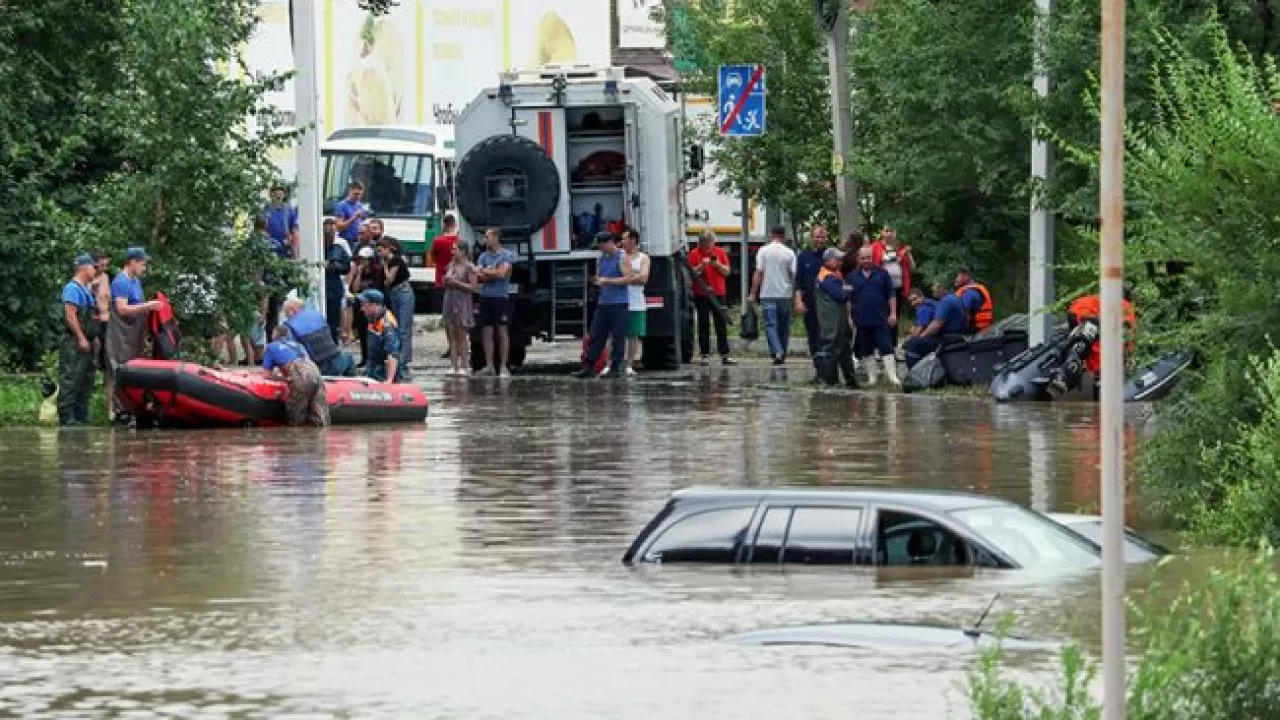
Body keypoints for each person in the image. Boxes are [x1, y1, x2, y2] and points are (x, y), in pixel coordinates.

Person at [105, 247, 162, 421]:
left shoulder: (135, 281)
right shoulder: (120, 282)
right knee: (116, 369)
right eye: (142, 264)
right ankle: (113, 410)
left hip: (134, 333)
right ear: (132, 262)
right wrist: (148, 306)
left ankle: (129, 406)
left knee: (133, 369)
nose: (144, 268)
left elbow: (137, 305)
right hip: (120, 333)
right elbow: (122, 309)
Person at [574, 232, 629, 379]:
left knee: (618, 336)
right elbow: (599, 277)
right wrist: (596, 281)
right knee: (596, 335)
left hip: (619, 303)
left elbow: (628, 279)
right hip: (603, 302)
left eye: (602, 245)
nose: (600, 249)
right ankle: (589, 365)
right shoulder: (601, 259)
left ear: (609, 243)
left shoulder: (622, 258)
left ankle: (616, 367)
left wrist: (607, 281)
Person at [848, 245, 900, 386]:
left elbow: (891, 295)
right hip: (861, 320)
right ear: (858, 259)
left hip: (881, 318)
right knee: (866, 350)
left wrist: (893, 313)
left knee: (887, 347)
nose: (866, 260)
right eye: (863, 258)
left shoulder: (883, 273)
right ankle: (872, 378)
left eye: (868, 257)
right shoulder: (852, 277)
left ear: (873, 257)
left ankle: (893, 377)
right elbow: (848, 299)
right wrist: (849, 317)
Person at [58, 254, 100, 426]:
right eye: (93, 267)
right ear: (83, 267)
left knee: (85, 380)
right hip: (74, 343)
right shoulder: (72, 288)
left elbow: (92, 318)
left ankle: (81, 416)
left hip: (88, 342)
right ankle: (66, 417)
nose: (95, 270)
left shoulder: (86, 290)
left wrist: (94, 339)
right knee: (71, 378)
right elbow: (70, 315)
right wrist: (81, 338)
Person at [750, 226, 800, 365]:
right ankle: (781, 352)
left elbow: (759, 272)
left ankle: (777, 352)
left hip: (768, 294)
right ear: (784, 236)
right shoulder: (790, 253)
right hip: (785, 294)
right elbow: (794, 275)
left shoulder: (763, 251)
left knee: (771, 325)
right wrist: (796, 297)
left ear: (771, 234)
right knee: (784, 327)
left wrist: (753, 293)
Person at [262, 327, 329, 427]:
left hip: (300, 375)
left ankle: (296, 438)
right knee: (320, 419)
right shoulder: (298, 345)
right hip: (315, 372)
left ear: (274, 335)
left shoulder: (271, 347)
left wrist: (282, 378)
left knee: (295, 419)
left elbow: (266, 374)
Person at [687, 231, 736, 366]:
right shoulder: (694, 254)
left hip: (718, 293)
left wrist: (718, 265)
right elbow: (690, 275)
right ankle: (704, 354)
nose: (708, 246)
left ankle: (725, 354)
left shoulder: (719, 252)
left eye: (710, 242)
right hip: (701, 294)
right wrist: (702, 266)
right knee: (703, 324)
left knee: (721, 324)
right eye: (705, 243)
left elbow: (727, 272)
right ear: (700, 243)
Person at [475, 228, 516, 377]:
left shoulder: (507, 255)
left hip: (501, 298)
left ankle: (504, 366)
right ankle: (489, 365)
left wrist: (487, 271)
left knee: (502, 331)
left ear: (496, 237)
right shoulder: (483, 256)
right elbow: (478, 276)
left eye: (487, 237)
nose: (485, 240)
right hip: (485, 297)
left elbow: (502, 274)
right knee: (487, 331)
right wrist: (491, 272)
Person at [814, 248, 857, 388]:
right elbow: (841, 296)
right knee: (831, 348)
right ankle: (830, 381)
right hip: (831, 321)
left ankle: (850, 381)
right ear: (828, 260)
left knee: (845, 349)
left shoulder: (834, 274)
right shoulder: (827, 276)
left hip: (839, 320)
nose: (840, 261)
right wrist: (850, 289)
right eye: (837, 259)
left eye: (840, 259)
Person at [281, 298, 356, 377]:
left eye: (286, 313)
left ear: (292, 310)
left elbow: (292, 352)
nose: (286, 316)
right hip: (335, 358)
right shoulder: (317, 315)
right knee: (348, 358)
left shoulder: (288, 326)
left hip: (316, 369)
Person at [903, 288, 969, 369]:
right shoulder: (938, 302)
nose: (913, 303)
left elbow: (922, 330)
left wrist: (915, 336)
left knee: (911, 344)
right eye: (911, 301)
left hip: (946, 338)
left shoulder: (925, 308)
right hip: (957, 335)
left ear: (922, 297)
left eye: (915, 299)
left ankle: (915, 375)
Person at [795, 225, 829, 373]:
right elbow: (798, 281)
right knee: (813, 334)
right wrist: (798, 301)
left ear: (826, 238)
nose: (820, 240)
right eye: (817, 237)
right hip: (809, 302)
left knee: (825, 334)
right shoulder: (803, 256)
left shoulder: (830, 256)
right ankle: (817, 366)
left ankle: (827, 366)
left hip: (827, 303)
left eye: (822, 237)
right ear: (812, 238)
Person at [872, 226, 914, 345]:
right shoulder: (876, 246)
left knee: (895, 317)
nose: (889, 233)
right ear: (882, 233)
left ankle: (893, 345)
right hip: (881, 288)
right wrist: (899, 255)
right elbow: (878, 261)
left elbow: (912, 267)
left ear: (895, 233)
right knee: (882, 316)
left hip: (898, 287)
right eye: (886, 231)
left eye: (891, 231)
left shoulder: (900, 248)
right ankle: (880, 346)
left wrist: (908, 255)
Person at [378, 236, 414, 374]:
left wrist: (385, 265)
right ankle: (398, 359)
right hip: (393, 293)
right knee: (396, 327)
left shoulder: (396, 261)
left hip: (403, 292)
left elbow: (389, 279)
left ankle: (403, 362)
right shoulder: (390, 261)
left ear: (388, 249)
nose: (380, 254)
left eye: (381, 250)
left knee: (404, 328)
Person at [440, 241, 477, 376]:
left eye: (455, 249)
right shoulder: (451, 265)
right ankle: (453, 365)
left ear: (463, 251)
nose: (452, 252)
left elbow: (473, 287)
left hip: (462, 302)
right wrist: (446, 281)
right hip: (449, 300)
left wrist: (456, 283)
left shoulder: (469, 267)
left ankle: (464, 366)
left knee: (462, 335)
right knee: (451, 334)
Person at [356, 289, 404, 383]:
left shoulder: (387, 325)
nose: (362, 308)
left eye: (364, 305)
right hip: (373, 370)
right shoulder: (373, 319)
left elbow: (392, 354)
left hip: (382, 375)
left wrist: (389, 380)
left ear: (373, 306)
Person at [620, 228, 650, 376]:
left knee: (633, 335)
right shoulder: (619, 256)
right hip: (619, 302)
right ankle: (612, 364)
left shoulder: (643, 258)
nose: (621, 242)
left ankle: (629, 365)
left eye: (624, 238)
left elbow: (644, 279)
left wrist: (627, 277)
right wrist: (634, 276)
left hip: (636, 302)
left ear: (633, 240)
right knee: (614, 334)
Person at [88, 250, 114, 418]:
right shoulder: (87, 279)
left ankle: (111, 409)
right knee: (89, 365)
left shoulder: (106, 277)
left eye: (106, 265)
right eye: (101, 265)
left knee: (110, 367)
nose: (104, 268)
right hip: (93, 323)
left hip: (108, 323)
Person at [323, 218, 350, 344]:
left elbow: (347, 267)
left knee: (333, 321)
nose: (330, 235)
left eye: (332, 232)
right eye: (327, 232)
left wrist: (335, 266)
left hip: (333, 288)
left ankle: (333, 344)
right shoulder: (317, 249)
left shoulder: (339, 248)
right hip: (320, 287)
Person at [263, 184, 300, 260]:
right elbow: (261, 228)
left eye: (280, 194)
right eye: (275, 194)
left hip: (286, 246)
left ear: (284, 195)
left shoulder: (289, 210)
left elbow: (295, 229)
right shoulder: (265, 210)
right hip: (270, 247)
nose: (278, 197)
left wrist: (294, 249)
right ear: (271, 195)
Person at [954, 267, 995, 333]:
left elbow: (964, 315)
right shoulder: (976, 289)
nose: (955, 279)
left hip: (975, 332)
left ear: (966, 276)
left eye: (958, 276)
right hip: (985, 329)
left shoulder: (969, 293)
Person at [332, 181, 368, 248]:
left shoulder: (359, 205)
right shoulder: (341, 205)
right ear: (350, 191)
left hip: (357, 240)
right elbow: (338, 227)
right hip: (345, 241)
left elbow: (361, 222)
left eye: (360, 194)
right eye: (356, 194)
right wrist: (354, 218)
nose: (358, 196)